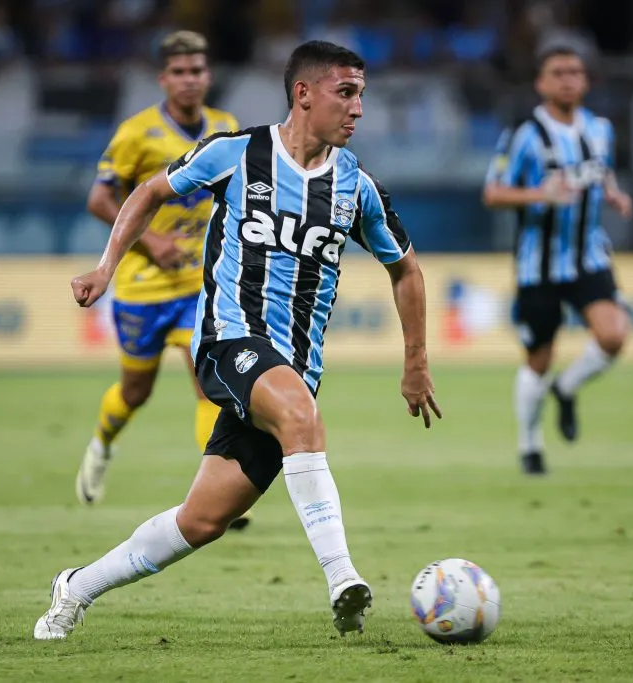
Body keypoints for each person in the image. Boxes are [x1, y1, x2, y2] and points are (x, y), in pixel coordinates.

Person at [34, 40, 442, 640]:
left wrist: (416, 362)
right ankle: (343, 579)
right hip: (230, 344)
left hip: (293, 368)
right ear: (303, 93)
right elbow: (147, 192)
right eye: (346, 93)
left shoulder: (358, 188)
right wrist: (106, 268)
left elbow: (405, 268)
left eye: (362, 96)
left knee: (200, 522)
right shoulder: (237, 153)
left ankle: (75, 587)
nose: (358, 109)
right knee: (302, 416)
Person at [77, 30, 249, 531]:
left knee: (207, 387)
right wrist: (151, 242)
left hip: (199, 286)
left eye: (197, 70)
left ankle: (217, 497)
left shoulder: (226, 127)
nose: (189, 79)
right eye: (179, 71)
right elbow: (99, 199)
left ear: (208, 76)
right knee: (135, 392)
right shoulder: (137, 133)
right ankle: (102, 442)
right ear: (163, 78)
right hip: (142, 289)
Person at [482, 46, 633, 475]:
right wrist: (538, 194)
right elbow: (492, 193)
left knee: (614, 335)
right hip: (538, 264)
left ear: (585, 81)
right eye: (558, 72)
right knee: (539, 359)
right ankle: (529, 445)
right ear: (541, 83)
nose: (567, 79)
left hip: (588, 256)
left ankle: (566, 389)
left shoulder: (600, 129)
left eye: (575, 72)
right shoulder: (524, 134)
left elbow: (600, 173)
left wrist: (615, 194)